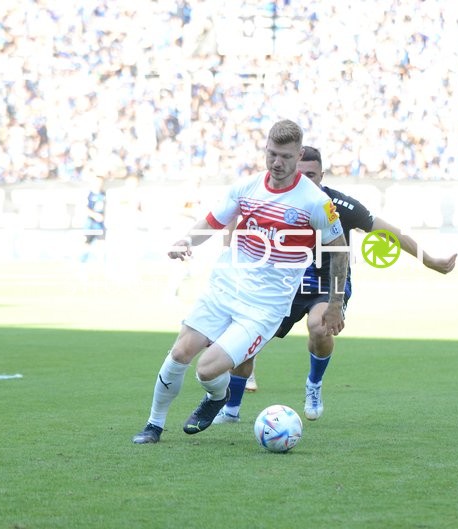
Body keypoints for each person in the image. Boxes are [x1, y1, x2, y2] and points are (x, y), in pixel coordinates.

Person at [132, 121, 349, 444]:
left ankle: (217, 398)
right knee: (180, 351)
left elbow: (339, 250)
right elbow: (213, 221)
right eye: (272, 154)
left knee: (206, 370)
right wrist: (186, 240)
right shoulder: (246, 188)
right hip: (224, 288)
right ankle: (154, 425)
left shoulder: (314, 201)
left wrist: (334, 303)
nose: (277, 163)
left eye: (286, 157)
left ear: (299, 154)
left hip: (263, 308)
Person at [214, 145, 457, 423]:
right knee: (247, 339)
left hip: (326, 284)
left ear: (322, 175)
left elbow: (390, 232)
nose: (307, 180)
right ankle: (231, 409)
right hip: (280, 284)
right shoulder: (273, 200)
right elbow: (237, 218)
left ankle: (313, 386)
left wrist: (428, 259)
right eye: (302, 174)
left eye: (313, 175)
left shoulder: (338, 205)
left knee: (319, 326)